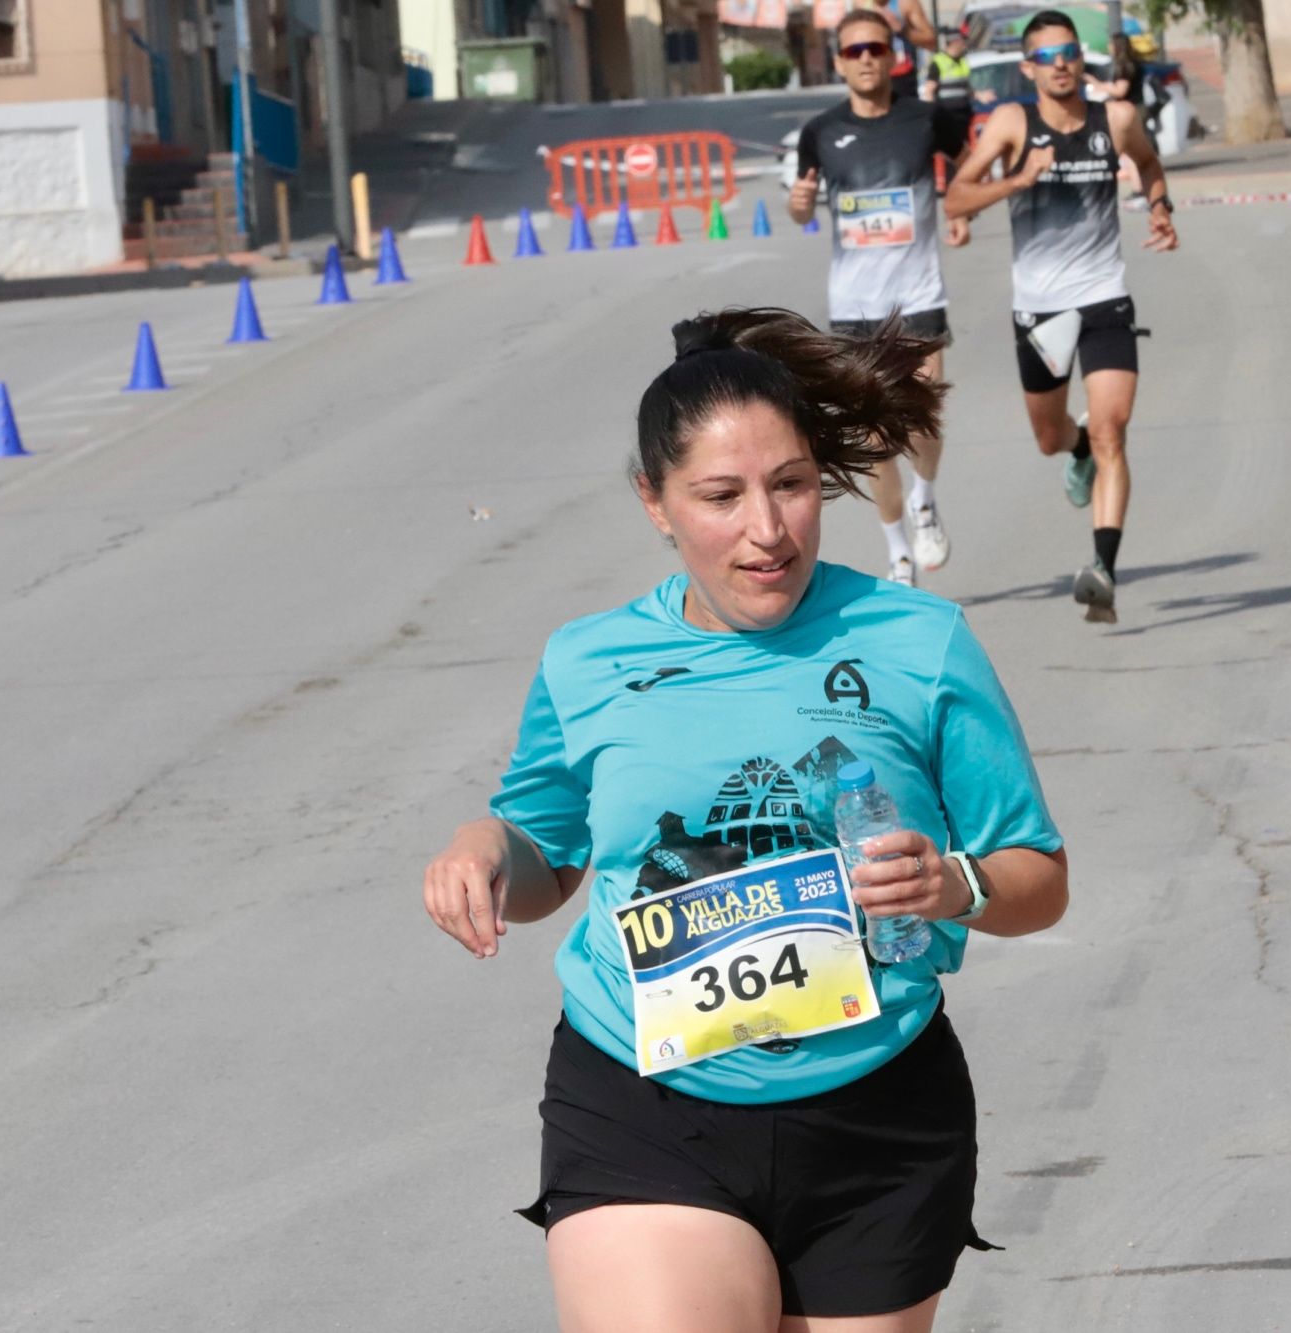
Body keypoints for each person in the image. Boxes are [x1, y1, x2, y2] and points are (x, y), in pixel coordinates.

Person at [422, 307, 1069, 1333]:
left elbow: (1035, 874)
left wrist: (956, 884)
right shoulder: (588, 661)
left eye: (792, 486)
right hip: (643, 1103)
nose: (766, 531)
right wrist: (484, 848)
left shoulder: (919, 642)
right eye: (720, 497)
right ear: (655, 501)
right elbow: (544, 848)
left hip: (875, 1113)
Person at [944, 8, 1177, 624]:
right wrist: (1018, 179)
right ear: (1029, 67)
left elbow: (1150, 165)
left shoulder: (1116, 119)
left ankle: (1103, 568)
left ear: (1081, 58)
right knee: (1052, 439)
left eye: (1069, 52)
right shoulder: (1012, 122)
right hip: (1041, 308)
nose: (1062, 64)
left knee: (1113, 429)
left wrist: (1160, 206)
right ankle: (1074, 450)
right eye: (1047, 57)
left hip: (1103, 297)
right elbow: (958, 195)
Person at [788, 8, 969, 588]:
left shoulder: (926, 119)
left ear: (892, 56)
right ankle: (896, 552)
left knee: (923, 421)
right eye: (854, 50)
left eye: (875, 48)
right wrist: (799, 201)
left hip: (917, 293)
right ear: (839, 62)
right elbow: (800, 209)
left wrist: (961, 211)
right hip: (855, 306)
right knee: (873, 441)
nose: (866, 58)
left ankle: (926, 498)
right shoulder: (821, 131)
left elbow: (965, 164)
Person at [921, 27, 976, 147]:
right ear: (954, 42)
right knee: (951, 149)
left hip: (964, 113)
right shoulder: (939, 61)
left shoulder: (963, 60)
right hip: (948, 114)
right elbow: (929, 90)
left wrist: (979, 95)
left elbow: (966, 87)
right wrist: (931, 113)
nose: (964, 45)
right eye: (962, 41)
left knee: (965, 147)